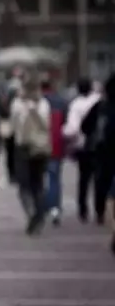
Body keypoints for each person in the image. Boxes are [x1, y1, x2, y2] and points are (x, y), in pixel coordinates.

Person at [10, 74, 51, 235]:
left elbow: (13, 126)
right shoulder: (43, 103)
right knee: (38, 185)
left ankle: (33, 213)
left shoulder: (18, 104)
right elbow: (47, 125)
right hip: (40, 148)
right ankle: (38, 215)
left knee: (24, 186)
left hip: (24, 148)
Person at [63, 78, 101, 223]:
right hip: (100, 146)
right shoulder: (98, 101)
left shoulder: (76, 104)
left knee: (84, 179)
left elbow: (72, 128)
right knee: (99, 178)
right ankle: (100, 209)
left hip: (83, 146)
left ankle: (83, 209)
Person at [81, 73, 115, 226]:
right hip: (104, 152)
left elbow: (85, 126)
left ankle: (101, 212)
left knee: (101, 182)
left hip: (103, 151)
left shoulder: (102, 106)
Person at [41, 80, 67, 226]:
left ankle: (43, 206)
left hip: (40, 146)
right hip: (57, 145)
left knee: (40, 179)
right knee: (55, 179)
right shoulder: (61, 102)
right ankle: (55, 208)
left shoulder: (38, 103)